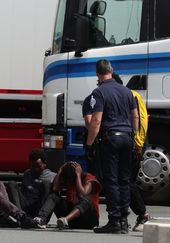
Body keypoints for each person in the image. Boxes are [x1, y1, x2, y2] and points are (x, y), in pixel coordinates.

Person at [85, 59, 139, 234]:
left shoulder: (99, 92)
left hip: (111, 139)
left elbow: (96, 120)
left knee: (111, 181)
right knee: (125, 180)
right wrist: (134, 135)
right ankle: (124, 220)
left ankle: (114, 220)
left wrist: (89, 143)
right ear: (111, 70)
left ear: (97, 74)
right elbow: (135, 117)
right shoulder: (127, 92)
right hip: (127, 137)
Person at [33, 162, 101, 230]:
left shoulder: (89, 179)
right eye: (68, 180)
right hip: (73, 221)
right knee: (54, 196)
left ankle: (65, 220)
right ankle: (41, 218)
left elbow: (82, 194)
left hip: (88, 221)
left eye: (71, 180)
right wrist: (60, 170)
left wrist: (78, 175)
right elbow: (55, 188)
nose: (69, 182)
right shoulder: (69, 179)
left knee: (87, 199)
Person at [125, 78, 151, 232]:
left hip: (135, 144)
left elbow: (141, 121)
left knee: (128, 182)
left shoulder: (132, 95)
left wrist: (138, 145)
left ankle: (143, 215)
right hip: (132, 143)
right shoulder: (128, 95)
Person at [7, 149, 56, 217]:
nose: (35, 169)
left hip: (40, 208)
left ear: (45, 163)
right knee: (11, 183)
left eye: (38, 166)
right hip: (26, 205)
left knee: (46, 183)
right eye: (33, 166)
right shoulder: (27, 173)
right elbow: (22, 192)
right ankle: (19, 215)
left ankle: (40, 218)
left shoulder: (52, 176)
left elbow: (53, 199)